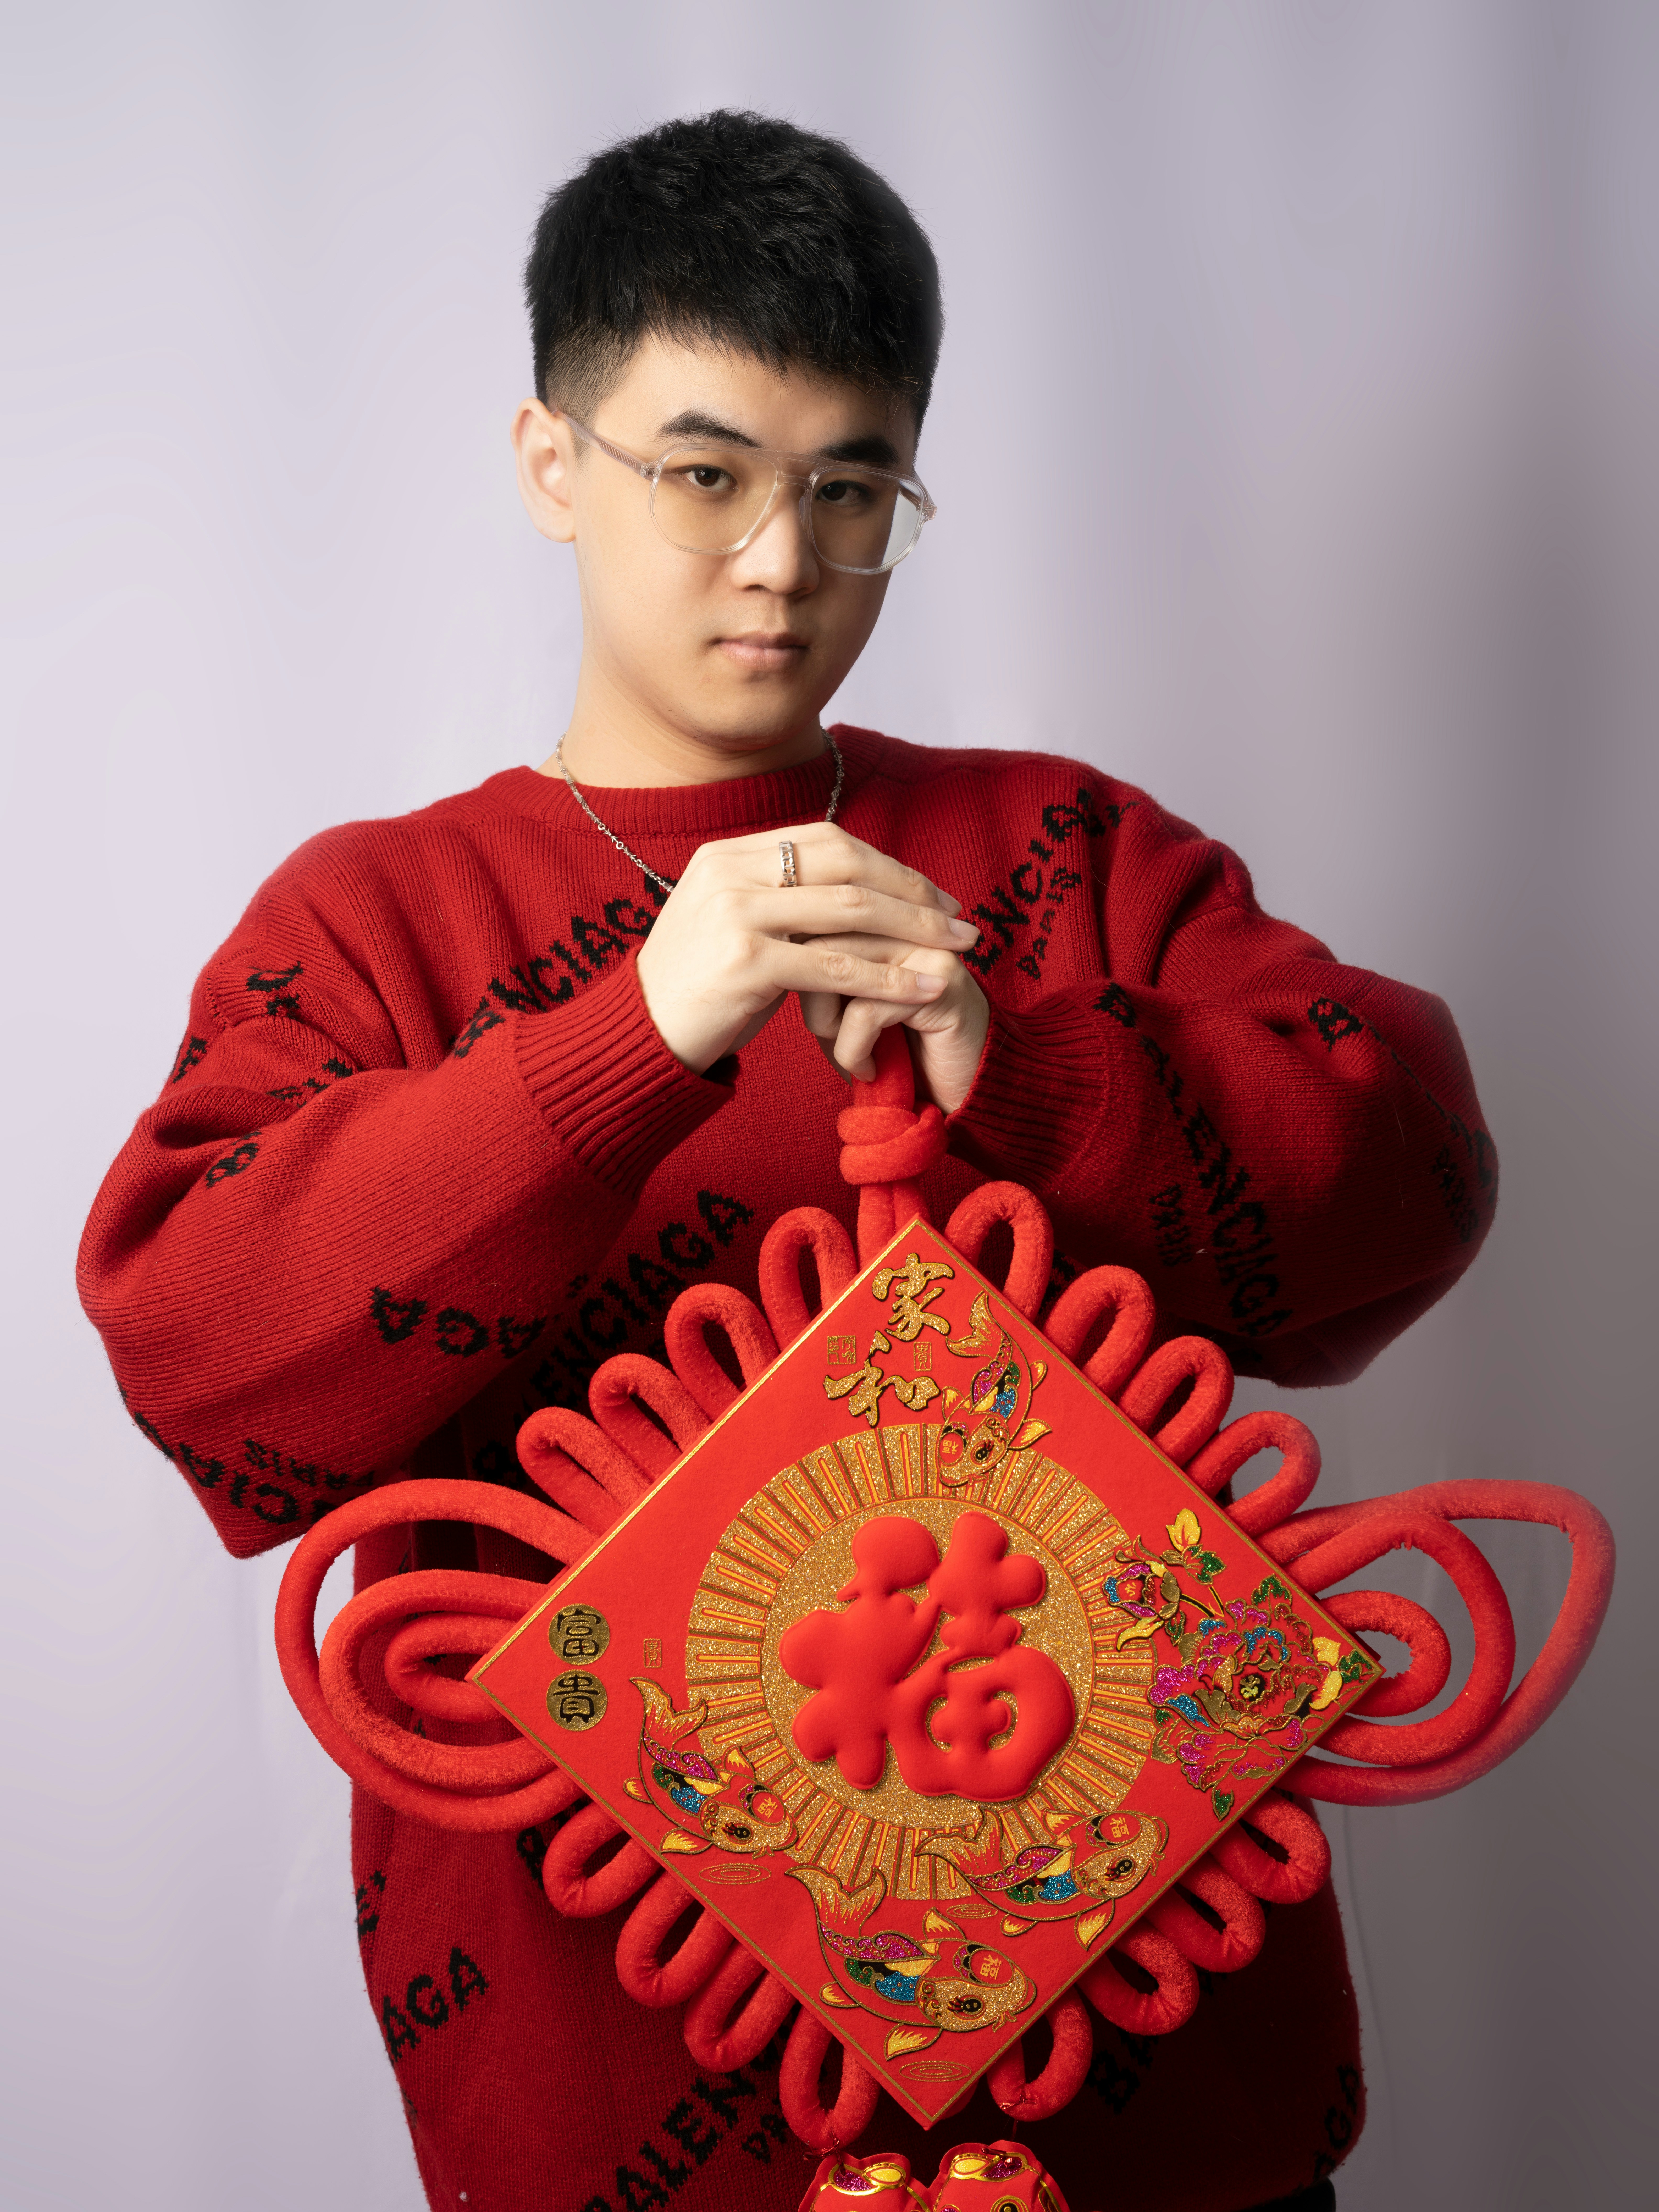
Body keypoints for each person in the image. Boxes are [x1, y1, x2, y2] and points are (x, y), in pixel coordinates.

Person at [77, 110, 1494, 2212]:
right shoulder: (375, 924)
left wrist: (1040, 1076)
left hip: (1155, 2071)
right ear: (553, 462)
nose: (780, 561)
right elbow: (201, 1360)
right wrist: (622, 1045)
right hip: (613, 2070)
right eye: (706, 473)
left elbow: (1415, 1179)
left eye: (850, 489)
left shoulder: (1065, 854)